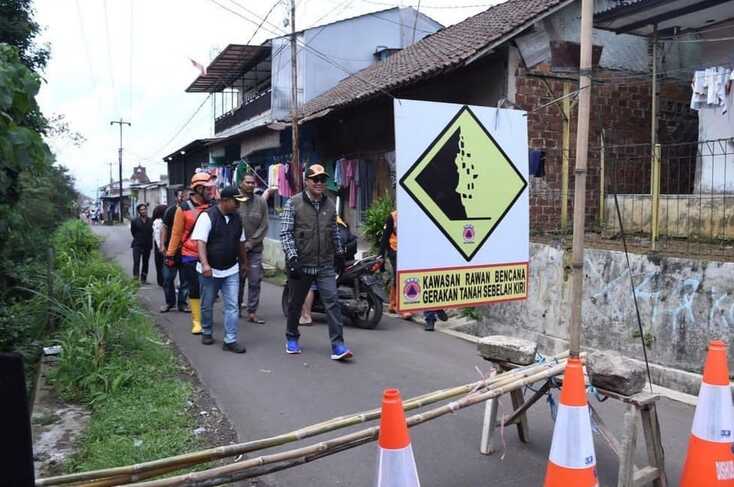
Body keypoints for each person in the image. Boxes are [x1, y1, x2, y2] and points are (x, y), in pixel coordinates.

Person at [280, 164, 352, 361]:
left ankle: (338, 345)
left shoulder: (330, 204)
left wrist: (339, 254)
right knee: (295, 304)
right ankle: (292, 337)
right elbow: (285, 233)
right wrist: (292, 257)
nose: (320, 183)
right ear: (307, 181)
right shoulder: (293, 203)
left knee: (333, 303)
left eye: (322, 179)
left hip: (325, 265)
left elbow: (334, 231)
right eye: (316, 179)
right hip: (301, 264)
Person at [191, 186, 248, 353]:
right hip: (210, 270)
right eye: (235, 201)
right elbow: (200, 242)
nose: (238, 205)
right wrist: (205, 264)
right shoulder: (207, 216)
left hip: (231, 269)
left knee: (232, 306)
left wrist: (244, 262)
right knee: (207, 303)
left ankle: (230, 340)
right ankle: (207, 331)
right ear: (224, 201)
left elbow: (241, 242)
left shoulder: (237, 218)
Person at [166, 174, 215, 334]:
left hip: (210, 255)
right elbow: (176, 233)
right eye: (208, 188)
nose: (211, 191)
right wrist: (170, 255)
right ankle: (197, 321)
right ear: (199, 189)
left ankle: (205, 316)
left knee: (209, 290)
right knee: (194, 288)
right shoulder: (183, 209)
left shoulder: (214, 206)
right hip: (190, 255)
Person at [298, 217, 357, 325]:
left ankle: (306, 316)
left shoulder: (319, 221)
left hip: (325, 260)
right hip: (343, 260)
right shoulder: (340, 223)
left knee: (309, 285)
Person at [237, 173, 268, 324]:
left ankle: (252, 312)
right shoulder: (235, 201)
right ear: (241, 183)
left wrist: (251, 243)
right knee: (238, 280)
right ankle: (235, 308)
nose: (251, 185)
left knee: (255, 280)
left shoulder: (261, 202)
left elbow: (264, 225)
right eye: (247, 182)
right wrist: (241, 244)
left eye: (252, 182)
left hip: (255, 249)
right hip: (236, 250)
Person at [378, 209, 413, 319]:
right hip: (395, 249)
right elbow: (385, 237)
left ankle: (393, 304)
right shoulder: (393, 217)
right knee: (400, 276)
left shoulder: (413, 214)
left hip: (408, 249)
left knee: (402, 276)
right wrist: (381, 256)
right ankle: (401, 307)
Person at [160, 189, 191, 313]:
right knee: (167, 278)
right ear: (178, 198)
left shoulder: (192, 211)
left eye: (189, 195)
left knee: (185, 280)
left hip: (187, 251)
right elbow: (164, 228)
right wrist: (162, 245)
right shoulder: (171, 211)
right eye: (184, 195)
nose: (187, 198)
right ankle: (170, 303)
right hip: (171, 251)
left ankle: (182, 303)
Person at [130, 203, 153, 283]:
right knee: (136, 262)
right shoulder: (134, 221)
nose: (143, 211)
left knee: (145, 262)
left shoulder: (151, 220)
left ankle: (144, 279)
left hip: (147, 245)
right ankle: (136, 279)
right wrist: (138, 238)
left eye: (144, 209)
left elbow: (152, 232)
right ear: (139, 211)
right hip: (137, 244)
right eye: (141, 210)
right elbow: (133, 232)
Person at [152, 204, 168, 288]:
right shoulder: (158, 222)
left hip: (160, 246)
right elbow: (157, 236)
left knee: (160, 264)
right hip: (160, 246)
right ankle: (162, 281)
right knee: (161, 264)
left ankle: (162, 281)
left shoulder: (161, 221)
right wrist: (161, 247)